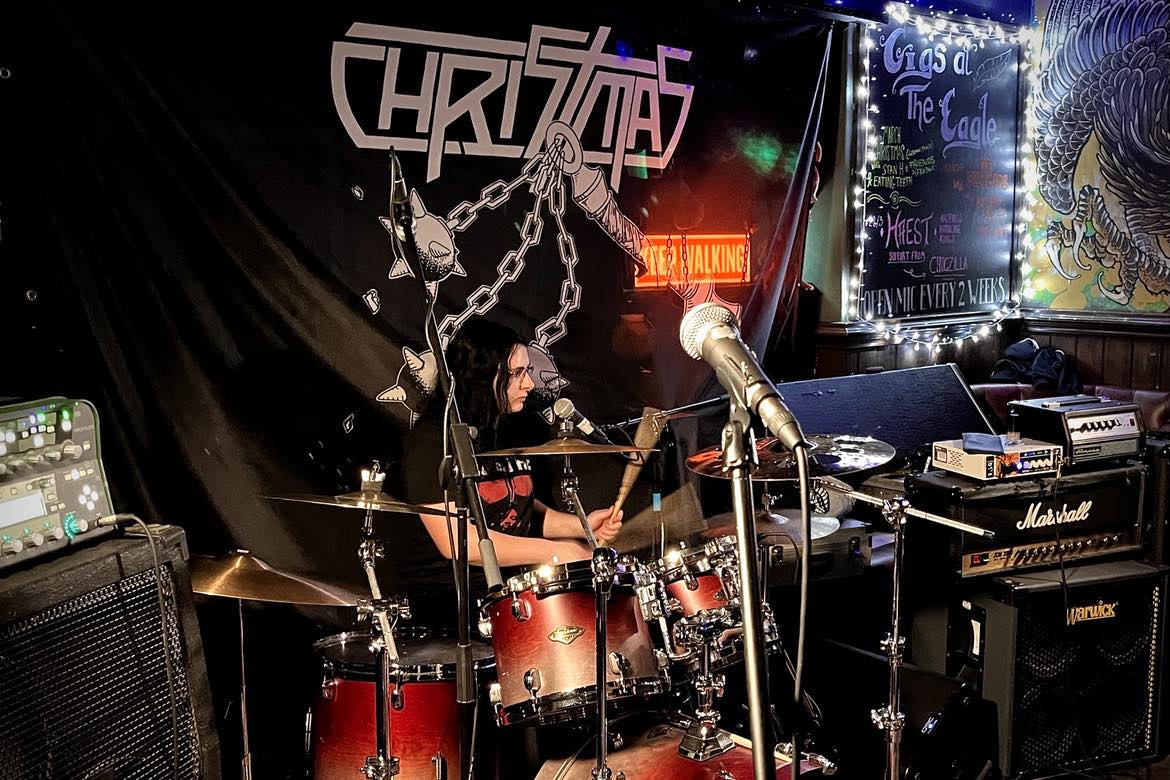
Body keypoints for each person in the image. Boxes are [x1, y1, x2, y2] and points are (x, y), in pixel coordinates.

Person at [395, 318, 622, 625]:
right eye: (516, 373)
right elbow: (456, 543)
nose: (529, 384)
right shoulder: (432, 441)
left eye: (527, 371)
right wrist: (555, 552)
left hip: (509, 597)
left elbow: (518, 509)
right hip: (446, 609)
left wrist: (582, 527)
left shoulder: (507, 428)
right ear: (481, 376)